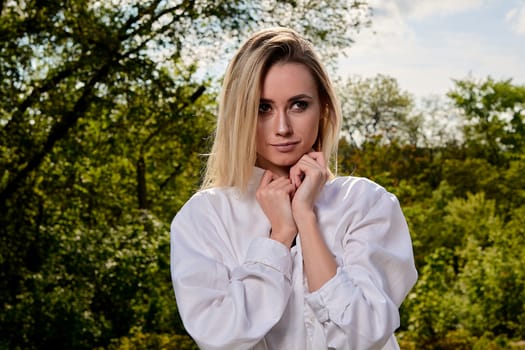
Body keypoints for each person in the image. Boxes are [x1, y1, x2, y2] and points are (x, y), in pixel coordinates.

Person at [170, 27, 418, 350]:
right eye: (263, 108)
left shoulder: (366, 204)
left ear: (323, 108)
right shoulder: (204, 218)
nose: (283, 128)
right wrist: (279, 238)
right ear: (239, 114)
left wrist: (305, 218)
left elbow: (364, 333)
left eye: (299, 105)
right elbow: (220, 337)